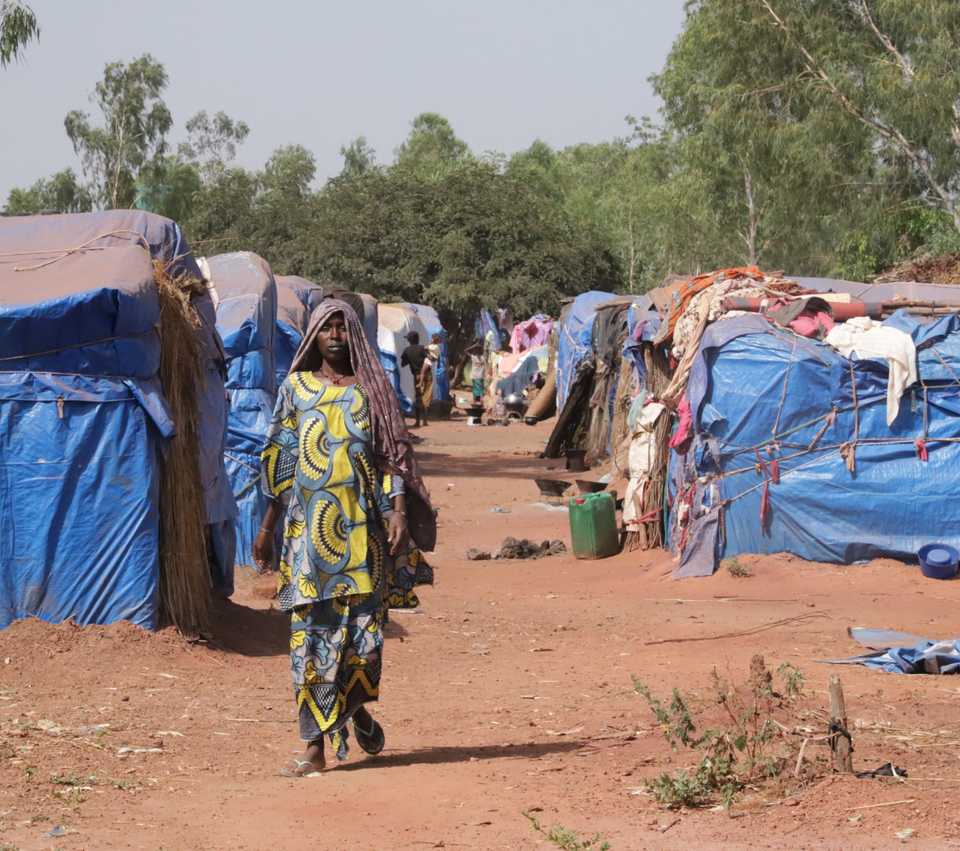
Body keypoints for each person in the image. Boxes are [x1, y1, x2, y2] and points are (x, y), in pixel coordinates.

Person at [254, 299, 435, 777]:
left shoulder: (371, 392)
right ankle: (313, 746)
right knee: (310, 642)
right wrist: (267, 528)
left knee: (362, 641)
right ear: (313, 335)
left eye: (342, 327)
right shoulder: (295, 389)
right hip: (306, 542)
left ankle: (353, 712)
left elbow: (391, 459)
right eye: (326, 327)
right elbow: (281, 462)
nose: (334, 334)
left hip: (363, 538)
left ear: (353, 335)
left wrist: (397, 512)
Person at [400, 331, 432, 428]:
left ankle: (418, 421)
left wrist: (410, 360)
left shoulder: (407, 350)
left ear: (409, 340)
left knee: (418, 397)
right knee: (426, 396)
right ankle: (425, 420)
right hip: (427, 374)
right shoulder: (422, 348)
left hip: (417, 376)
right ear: (417, 339)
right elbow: (429, 359)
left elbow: (403, 364)